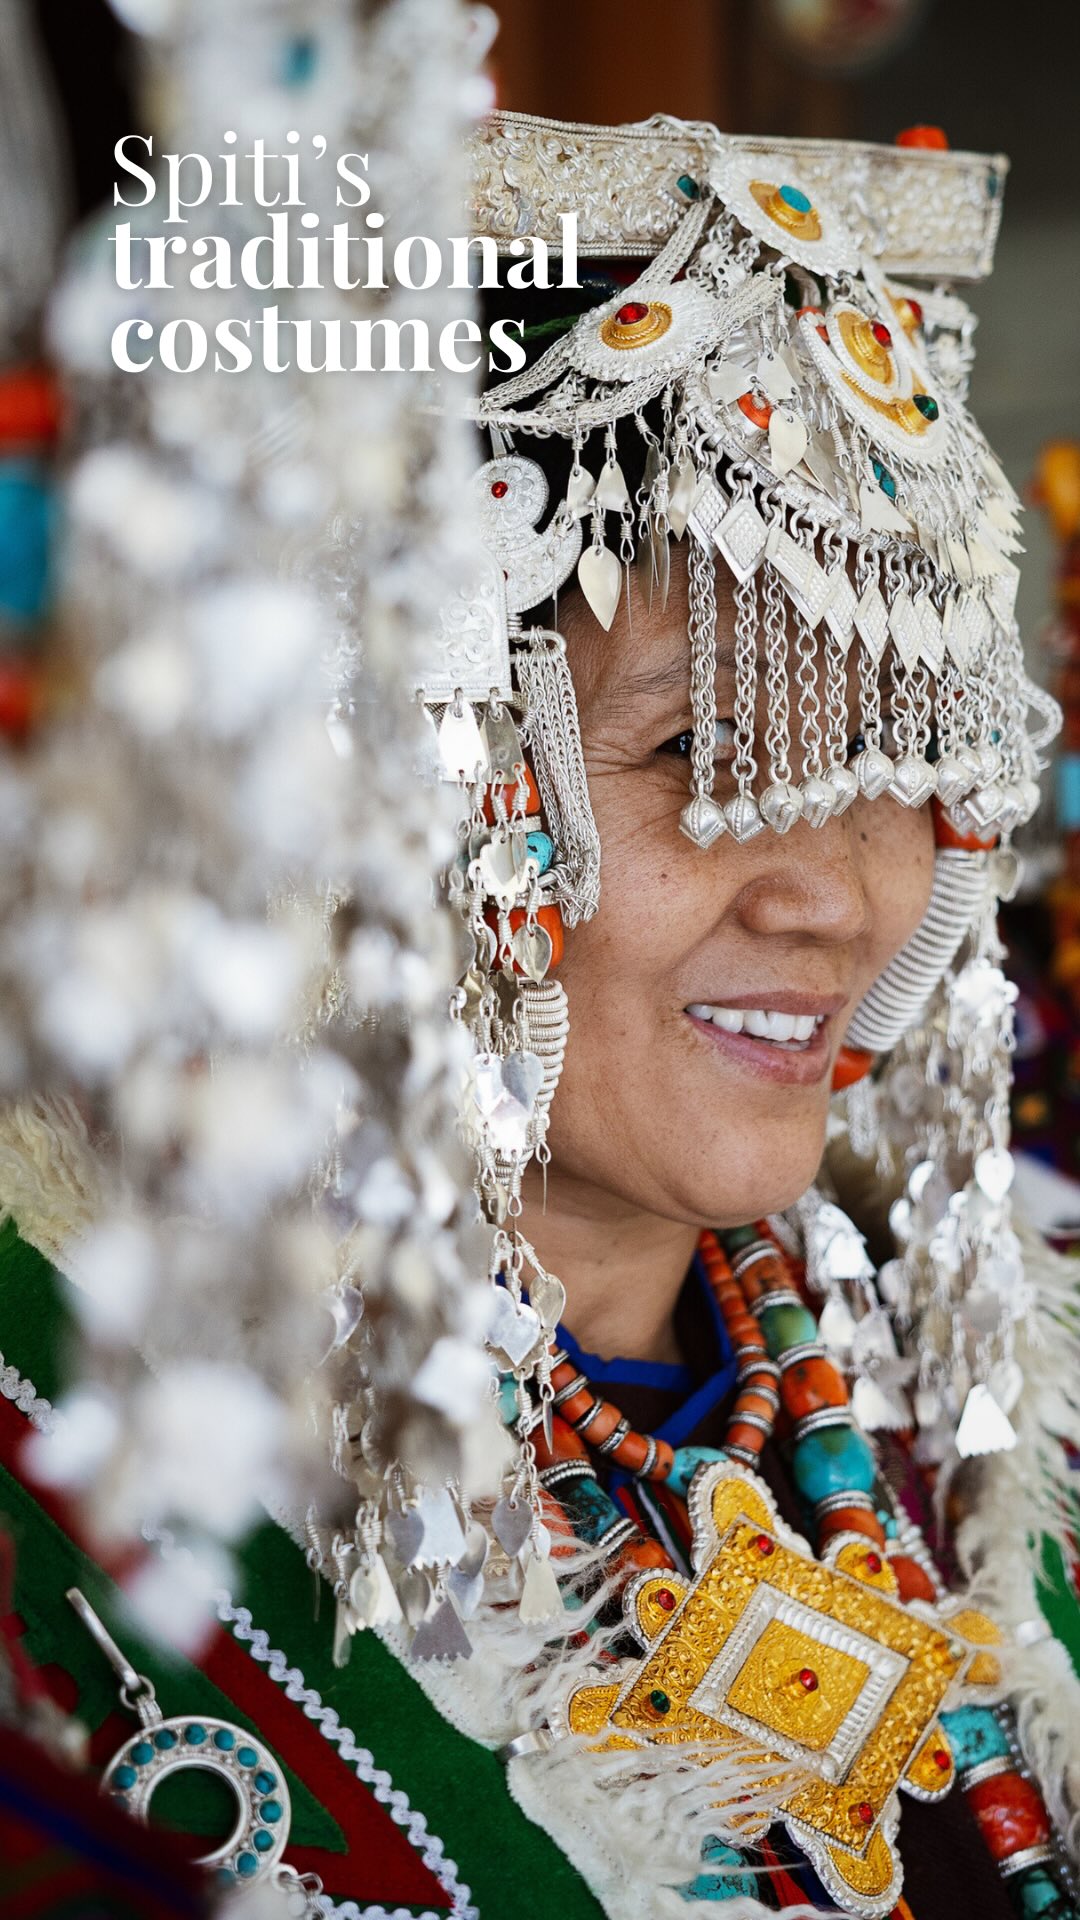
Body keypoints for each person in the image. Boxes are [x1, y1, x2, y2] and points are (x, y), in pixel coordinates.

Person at [2, 105, 1079, 1920]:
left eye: (900, 760)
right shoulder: (78, 1439)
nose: (830, 889)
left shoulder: (997, 1417)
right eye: (707, 752)